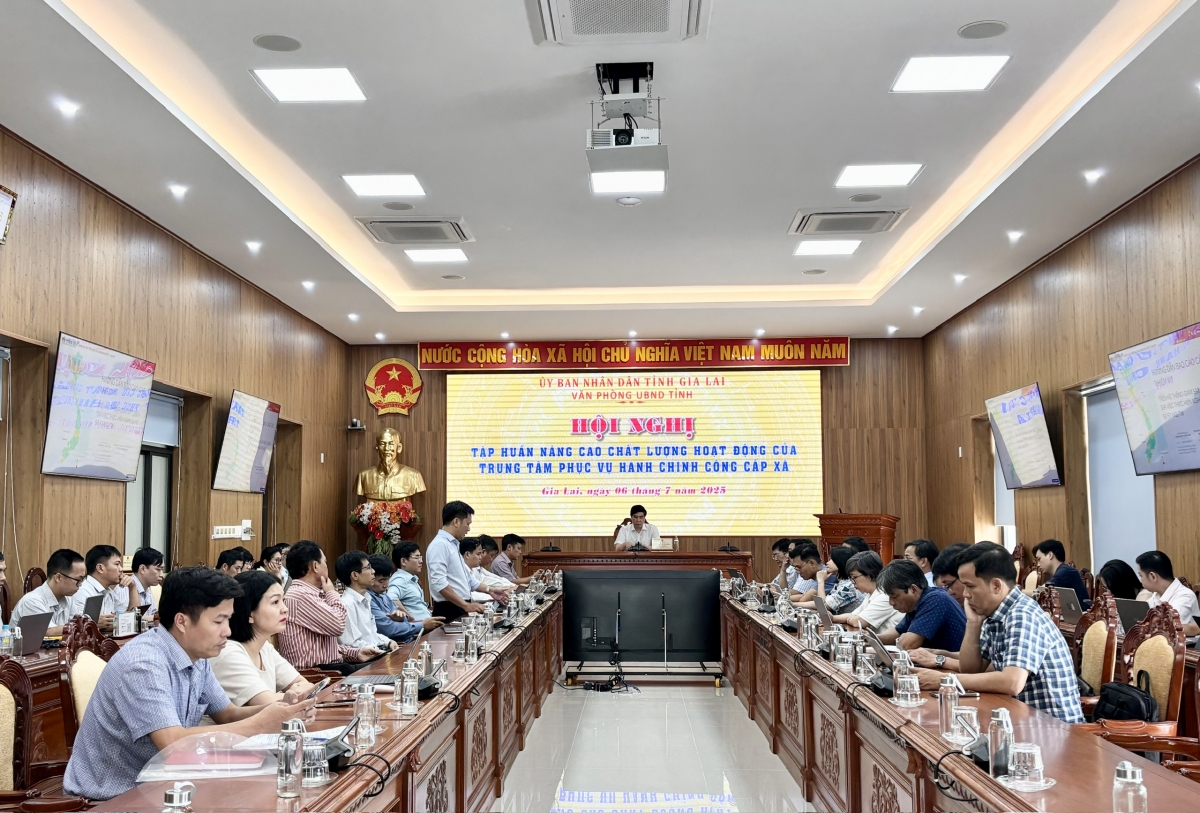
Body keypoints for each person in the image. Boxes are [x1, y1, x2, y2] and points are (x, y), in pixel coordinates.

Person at [62, 567, 315, 801]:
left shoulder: (196, 655)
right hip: (114, 797)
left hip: (166, 783)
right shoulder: (144, 664)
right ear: (182, 621)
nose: (228, 631)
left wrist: (282, 710)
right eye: (218, 621)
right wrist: (260, 724)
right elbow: (172, 744)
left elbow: (228, 714)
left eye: (228, 620)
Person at [912, 543, 1084, 723]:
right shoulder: (994, 614)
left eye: (970, 586)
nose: (966, 594)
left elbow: (1012, 682)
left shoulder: (1021, 615)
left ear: (996, 585)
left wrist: (945, 679)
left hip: (1052, 727)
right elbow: (971, 670)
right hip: (1018, 717)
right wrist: (973, 624)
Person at [211, 570, 315, 706]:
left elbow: (305, 685)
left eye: (283, 601)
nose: (285, 609)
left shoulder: (264, 647)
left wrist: (294, 693)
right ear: (249, 614)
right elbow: (267, 703)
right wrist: (292, 694)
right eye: (275, 602)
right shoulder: (228, 652)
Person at [278, 541, 381, 675]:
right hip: (316, 675)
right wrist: (332, 593)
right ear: (315, 566)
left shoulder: (310, 594)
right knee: (384, 674)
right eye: (325, 562)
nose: (327, 566)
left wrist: (356, 653)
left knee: (386, 668)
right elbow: (338, 625)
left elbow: (326, 646)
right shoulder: (300, 595)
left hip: (329, 669)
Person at [427, 501, 506, 622]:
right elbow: (440, 583)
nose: (468, 529)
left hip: (459, 606)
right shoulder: (440, 545)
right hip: (449, 608)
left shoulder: (453, 544)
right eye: (467, 524)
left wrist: (491, 590)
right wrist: (465, 605)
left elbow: (468, 579)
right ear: (456, 522)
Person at [876, 559, 966, 652]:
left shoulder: (936, 600)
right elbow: (897, 632)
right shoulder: (916, 603)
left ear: (913, 589)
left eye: (894, 596)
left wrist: (903, 639)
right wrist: (872, 639)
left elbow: (908, 644)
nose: (891, 602)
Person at [366, 555, 443, 644]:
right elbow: (389, 629)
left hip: (407, 639)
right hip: (395, 645)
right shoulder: (368, 599)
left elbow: (404, 618)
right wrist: (422, 625)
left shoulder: (383, 595)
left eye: (388, 579)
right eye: (381, 581)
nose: (386, 585)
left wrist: (401, 618)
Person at [334, 551, 400, 654]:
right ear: (355, 575)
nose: (373, 571)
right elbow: (352, 644)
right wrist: (380, 651)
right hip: (364, 658)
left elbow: (371, 635)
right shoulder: (347, 604)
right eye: (368, 567)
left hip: (374, 653)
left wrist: (388, 642)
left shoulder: (365, 599)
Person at [11, 548, 86, 635]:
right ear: (58, 577)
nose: (80, 584)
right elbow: (47, 632)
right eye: (78, 580)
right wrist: (81, 626)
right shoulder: (32, 601)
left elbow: (78, 622)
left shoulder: (68, 599)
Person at [70, 544, 138, 633]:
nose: (121, 569)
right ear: (100, 568)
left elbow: (132, 618)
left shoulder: (108, 591)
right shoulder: (82, 590)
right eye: (117, 564)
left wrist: (132, 587)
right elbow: (82, 627)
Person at [833, 551, 903, 634]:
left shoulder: (884, 595)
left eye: (854, 577)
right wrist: (832, 618)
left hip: (888, 641)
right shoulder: (871, 594)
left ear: (869, 574)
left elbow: (858, 622)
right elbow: (853, 615)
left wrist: (854, 619)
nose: (852, 582)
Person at [1136, 550, 1200, 636]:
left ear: (1153, 576)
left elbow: (1169, 627)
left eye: (1141, 575)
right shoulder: (1156, 595)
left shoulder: (1185, 596)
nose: (1140, 581)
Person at [1032, 539, 1091, 609]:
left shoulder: (1065, 572)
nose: (1038, 564)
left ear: (1050, 555)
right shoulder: (1063, 570)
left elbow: (1041, 592)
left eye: (1039, 559)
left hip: (1082, 615)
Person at [388, 541, 431, 621]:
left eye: (420, 557)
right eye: (417, 557)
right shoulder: (400, 579)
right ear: (404, 561)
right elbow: (391, 598)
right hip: (417, 627)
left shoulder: (411, 579)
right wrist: (410, 618)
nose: (421, 561)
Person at [817, 546, 865, 614]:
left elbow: (823, 607)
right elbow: (826, 601)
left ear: (841, 561)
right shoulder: (842, 582)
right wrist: (800, 604)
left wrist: (821, 581)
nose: (827, 562)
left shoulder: (849, 586)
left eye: (832, 559)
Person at [130, 548, 165, 617]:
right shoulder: (125, 588)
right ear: (142, 569)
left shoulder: (147, 588)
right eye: (158, 569)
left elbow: (154, 614)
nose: (161, 575)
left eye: (162, 569)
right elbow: (127, 619)